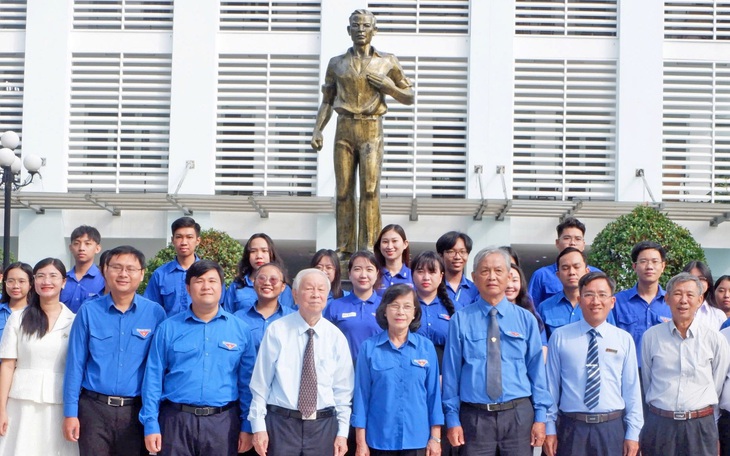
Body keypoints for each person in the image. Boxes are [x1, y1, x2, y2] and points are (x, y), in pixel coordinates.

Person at [310, 9, 414, 260]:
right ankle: (345, 248)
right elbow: (328, 100)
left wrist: (389, 87)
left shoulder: (387, 61)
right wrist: (318, 128)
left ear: (374, 30)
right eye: (355, 25)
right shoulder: (336, 63)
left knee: (369, 190)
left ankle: (368, 247)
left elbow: (409, 95)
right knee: (344, 191)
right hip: (344, 127)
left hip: (371, 128)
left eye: (366, 25)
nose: (360, 29)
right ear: (348, 30)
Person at [140, 260, 257, 456]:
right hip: (176, 422)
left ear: (222, 287)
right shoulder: (168, 328)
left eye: (212, 281)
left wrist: (247, 425)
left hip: (222, 424)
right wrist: (150, 423)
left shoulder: (240, 330)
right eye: (199, 281)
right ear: (188, 287)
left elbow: (247, 383)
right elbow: (153, 378)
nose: (206, 286)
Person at [442, 247, 551, 455]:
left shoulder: (527, 319)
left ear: (509, 276)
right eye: (484, 271)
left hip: (518, 416)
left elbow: (537, 372)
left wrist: (540, 417)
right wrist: (452, 418)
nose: (492, 277)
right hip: (475, 418)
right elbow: (451, 374)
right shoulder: (460, 320)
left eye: (498, 271)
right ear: (474, 277)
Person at [63, 245, 167, 455]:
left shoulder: (155, 313)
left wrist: (153, 417)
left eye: (130, 269)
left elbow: (158, 370)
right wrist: (70, 412)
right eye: (117, 267)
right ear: (104, 270)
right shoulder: (88, 312)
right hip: (94, 410)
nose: (123, 274)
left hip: (136, 411)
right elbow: (75, 364)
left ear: (142, 274)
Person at [249, 268, 354, 456]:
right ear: (295, 295)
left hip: (323, 427)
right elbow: (260, 384)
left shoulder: (336, 337)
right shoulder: (277, 330)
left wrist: (342, 433)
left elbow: (343, 392)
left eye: (321, 289)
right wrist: (258, 427)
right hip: (281, 425)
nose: (315, 294)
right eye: (309, 289)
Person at [543, 272, 642, 456]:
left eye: (602, 295)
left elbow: (632, 390)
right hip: (572, 428)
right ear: (580, 300)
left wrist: (633, 433)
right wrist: (550, 429)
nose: (595, 301)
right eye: (589, 295)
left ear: (612, 302)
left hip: (611, 429)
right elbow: (551, 388)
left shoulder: (624, 339)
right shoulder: (560, 337)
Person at [640, 273, 730, 456]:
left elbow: (717, 384)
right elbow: (648, 380)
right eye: (677, 294)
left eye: (690, 295)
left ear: (699, 300)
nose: (683, 300)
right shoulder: (651, 336)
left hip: (700, 425)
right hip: (660, 423)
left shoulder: (715, 339)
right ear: (666, 298)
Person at [352, 284, 443, 456]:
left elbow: (433, 395)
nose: (401, 311)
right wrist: (360, 442)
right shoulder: (369, 348)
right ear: (384, 311)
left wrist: (436, 438)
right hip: (379, 439)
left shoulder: (426, 348)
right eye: (394, 305)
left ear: (414, 312)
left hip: (417, 439)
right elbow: (361, 396)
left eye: (407, 306)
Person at [0, 258, 77, 456]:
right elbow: (8, 365)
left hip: (59, 403)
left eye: (53, 276)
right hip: (20, 403)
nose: (46, 281)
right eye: (40, 276)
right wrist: (1, 409)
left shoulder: (75, 321)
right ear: (34, 282)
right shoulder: (18, 318)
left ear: (64, 281)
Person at [612, 241, 671, 368]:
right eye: (643, 261)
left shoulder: (672, 302)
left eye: (655, 262)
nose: (649, 266)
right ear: (634, 266)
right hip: (628, 371)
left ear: (663, 266)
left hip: (663, 373)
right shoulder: (618, 302)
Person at [538, 248, 615, 340]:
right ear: (558, 275)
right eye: (565, 268)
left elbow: (611, 337)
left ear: (587, 271)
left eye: (577, 267)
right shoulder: (545, 307)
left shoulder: (599, 305)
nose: (571, 272)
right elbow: (542, 344)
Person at [324, 250, 383, 363]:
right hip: (344, 371)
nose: (363, 275)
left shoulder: (386, 306)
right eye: (357, 269)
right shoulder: (336, 306)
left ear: (377, 274)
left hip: (377, 371)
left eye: (369, 269)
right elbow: (326, 341)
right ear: (349, 274)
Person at [528, 218, 601, 307]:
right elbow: (531, 309)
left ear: (583, 244)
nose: (572, 243)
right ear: (557, 243)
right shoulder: (541, 275)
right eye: (567, 238)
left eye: (578, 239)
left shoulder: (597, 275)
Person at [144, 216, 201, 316]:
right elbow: (150, 309)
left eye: (189, 237)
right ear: (172, 240)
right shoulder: (160, 274)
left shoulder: (209, 273)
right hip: (170, 330)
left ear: (197, 240)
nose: (184, 242)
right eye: (179, 237)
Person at [225, 233, 294, 314]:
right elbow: (228, 317)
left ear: (271, 254)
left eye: (264, 251)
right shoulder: (237, 285)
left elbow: (288, 317)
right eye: (253, 251)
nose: (259, 256)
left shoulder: (282, 287)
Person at [234, 263, 294, 352]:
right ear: (254, 284)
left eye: (273, 279)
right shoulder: (238, 318)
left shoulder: (293, 317)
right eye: (262, 278)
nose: (267, 283)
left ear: (283, 287)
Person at [411, 251, 457, 366]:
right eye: (420, 272)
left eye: (432, 272)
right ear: (412, 274)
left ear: (441, 276)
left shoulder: (456, 308)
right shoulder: (404, 306)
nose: (426, 277)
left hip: (445, 371)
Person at [61, 225, 105, 313]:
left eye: (87, 244)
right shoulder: (62, 279)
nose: (81, 248)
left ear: (97, 248)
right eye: (76, 243)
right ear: (70, 248)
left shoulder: (105, 280)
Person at [505, 263, 547, 349]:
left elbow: (542, 347)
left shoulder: (531, 315)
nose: (510, 286)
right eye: (505, 280)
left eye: (515, 280)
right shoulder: (492, 314)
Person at [437, 231, 479, 308]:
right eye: (451, 252)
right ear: (441, 255)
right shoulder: (434, 287)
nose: (457, 257)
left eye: (462, 252)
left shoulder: (476, 290)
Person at [683, 260, 725, 329]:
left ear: (708, 283)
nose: (696, 282)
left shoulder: (718, 315)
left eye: (701, 278)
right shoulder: (674, 310)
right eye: (691, 278)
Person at [374, 224, 412, 295]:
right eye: (385, 242)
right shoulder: (373, 275)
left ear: (405, 244)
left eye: (394, 241)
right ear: (379, 246)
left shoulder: (413, 276)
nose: (389, 246)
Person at [0, 262, 33, 341]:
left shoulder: (37, 313)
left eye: (21, 281)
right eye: (10, 281)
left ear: (30, 284)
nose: (15, 286)